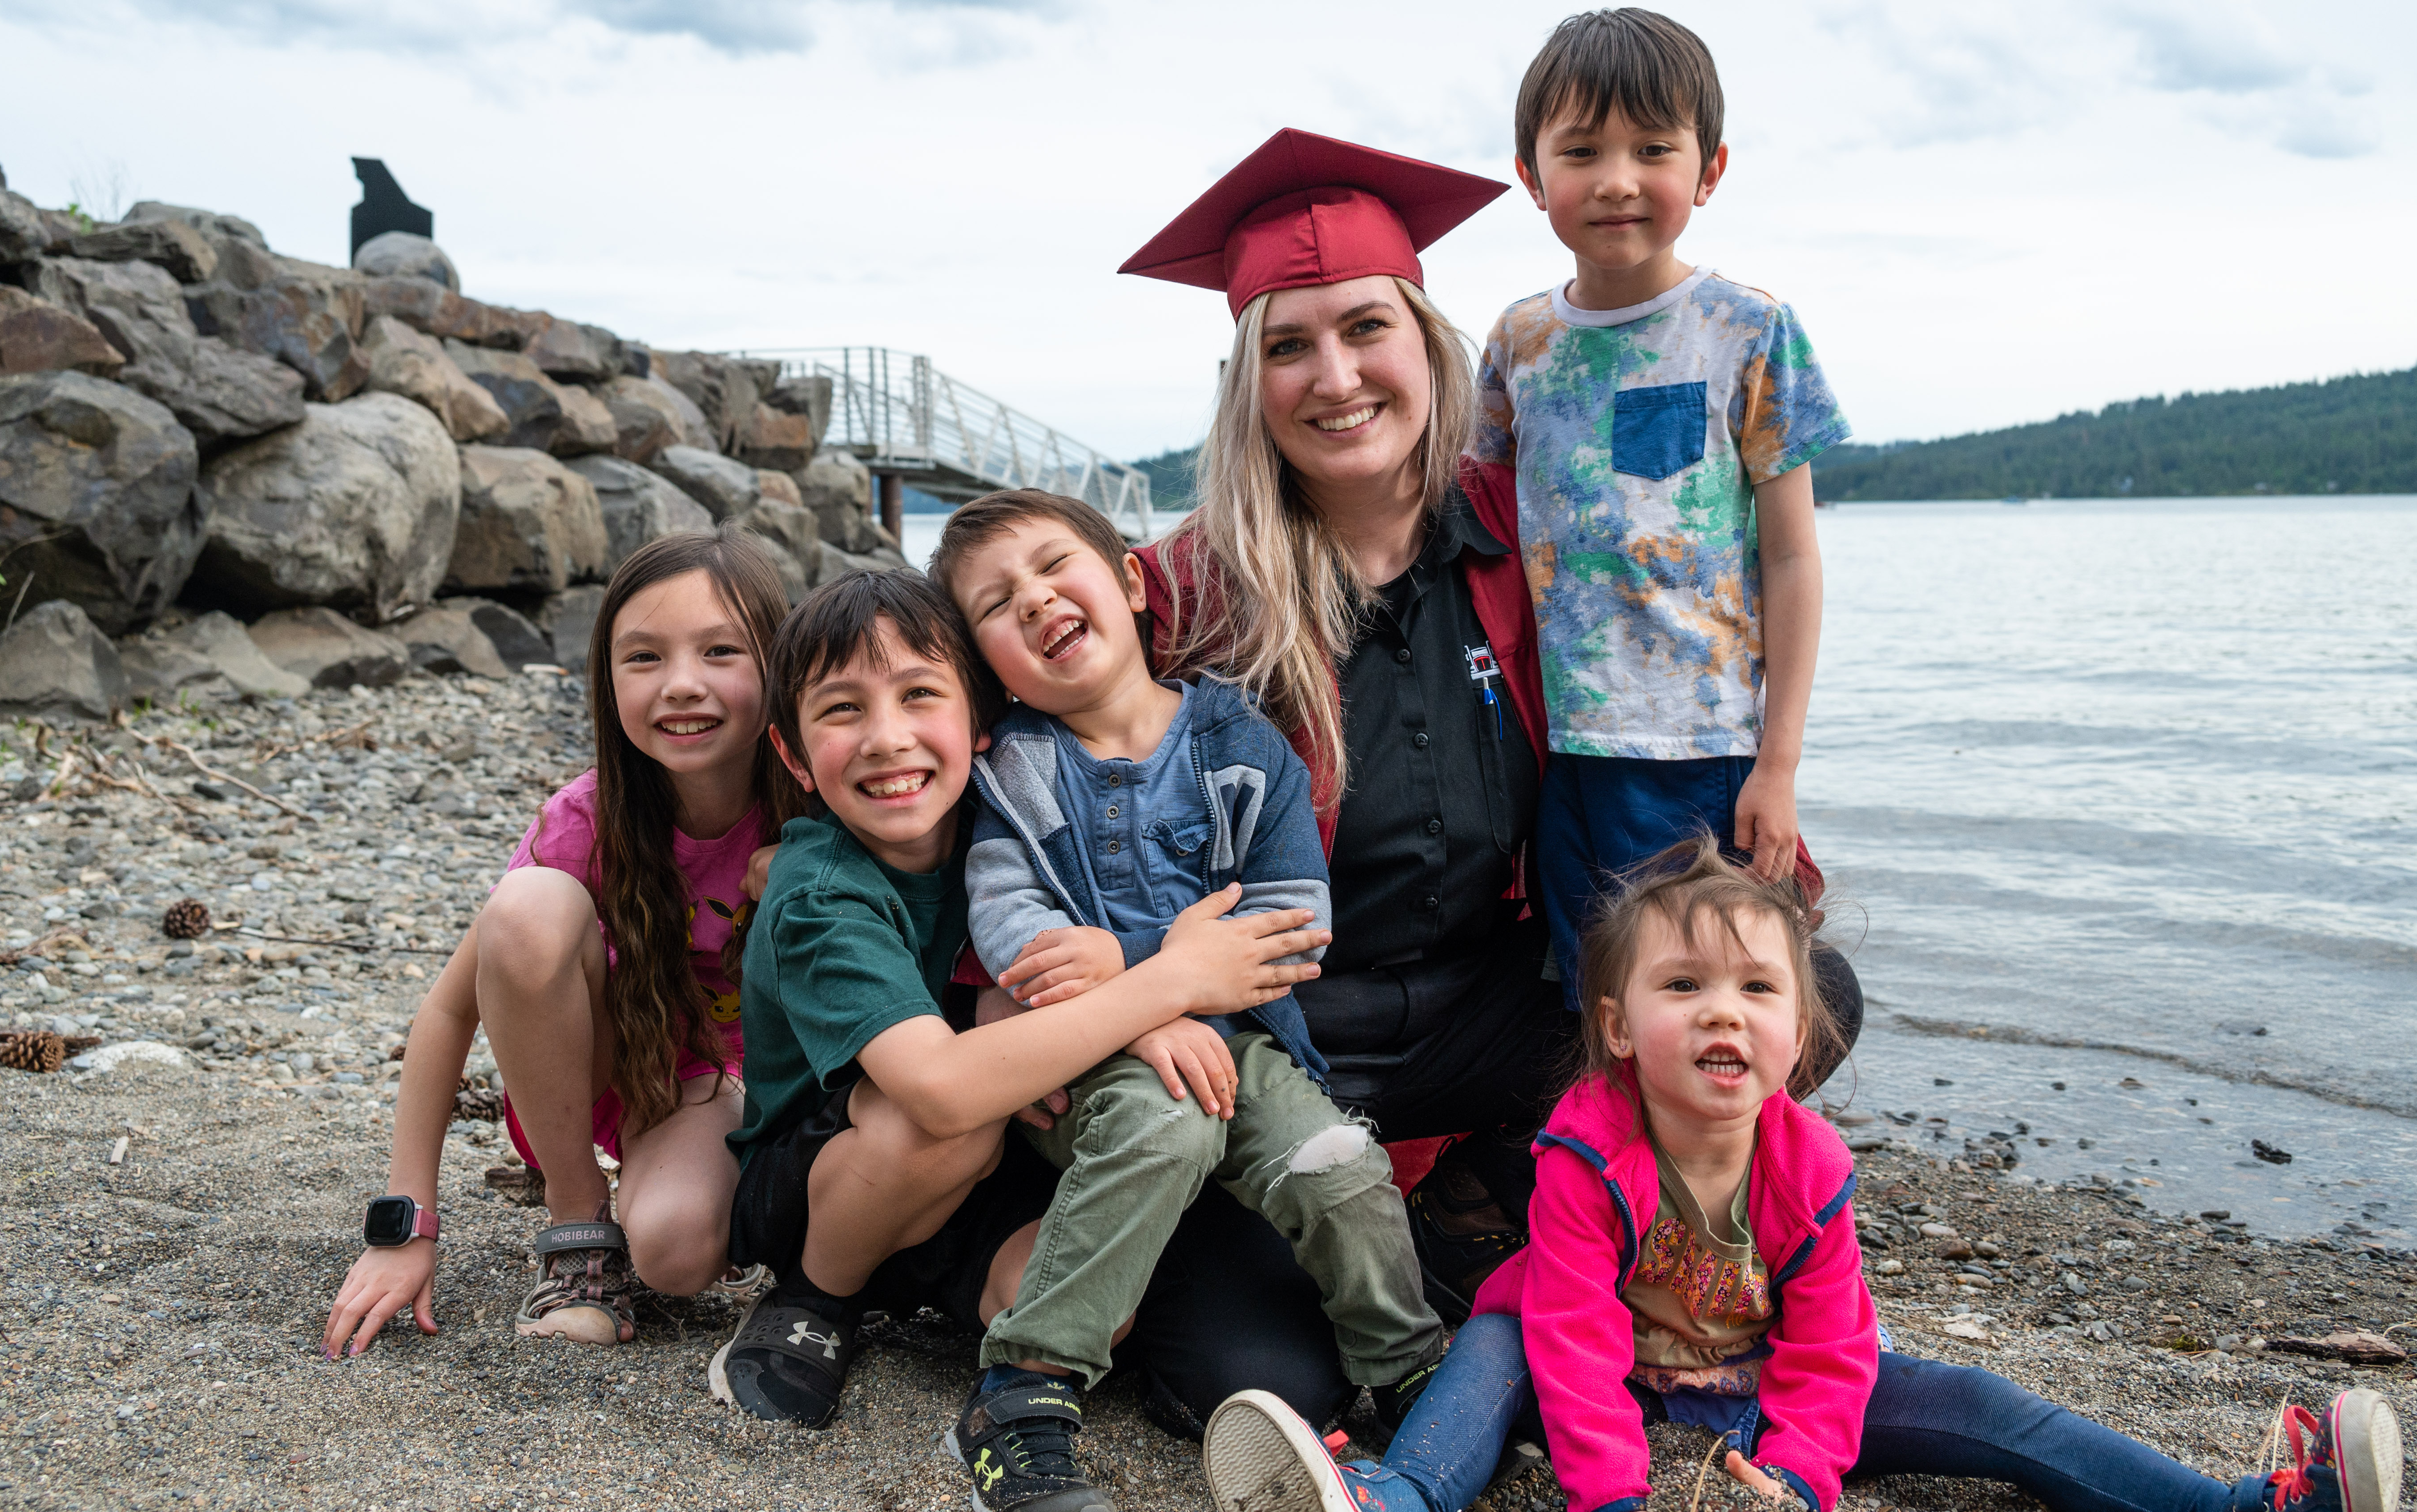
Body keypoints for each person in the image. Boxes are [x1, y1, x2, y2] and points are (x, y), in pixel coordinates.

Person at [1112, 125, 1866, 1433]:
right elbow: (1022, 764)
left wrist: (1760, 796)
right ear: (1248, 381)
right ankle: (1364, 1221)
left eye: (1365, 330)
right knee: (1267, 1384)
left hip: (1486, 1016)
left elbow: (1703, 599)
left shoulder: (1531, 540)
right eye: (1288, 346)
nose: (1335, 377)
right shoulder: (1185, 598)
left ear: (1426, 342)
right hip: (1284, 1038)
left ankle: (1488, 1197)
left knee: (1801, 992)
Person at [1197, 836, 2408, 1512]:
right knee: (1490, 1357)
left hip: (1761, 1371)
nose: (1723, 1015)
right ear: (1619, 1028)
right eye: (1685, 989)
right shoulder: (1584, 1144)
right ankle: (1387, 1503)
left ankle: (2253, 1508)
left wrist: (1799, 1478)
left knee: (1985, 1409)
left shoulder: (1811, 1165)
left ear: (1799, 1033)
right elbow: (1570, 1332)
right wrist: (1614, 1500)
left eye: (1756, 991)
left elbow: (1831, 1350)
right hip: (1603, 1360)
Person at [705, 570, 1331, 1512]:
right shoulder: (821, 891)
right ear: (794, 756)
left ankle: (957, 1322)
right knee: (945, 1123)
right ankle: (819, 1296)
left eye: (921, 695)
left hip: (987, 1174)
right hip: (833, 1168)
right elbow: (944, 1092)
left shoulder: (1005, 836)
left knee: (1100, 1305)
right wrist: (1171, 981)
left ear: (981, 720)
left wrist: (1128, 998)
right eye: (843, 711)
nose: (887, 738)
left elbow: (1069, 962)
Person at [929, 487, 1448, 1497]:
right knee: (1163, 1125)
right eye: (997, 603)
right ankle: (1023, 1382)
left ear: (1130, 581)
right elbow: (1014, 934)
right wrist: (1148, 1002)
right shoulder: (1014, 774)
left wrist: (1132, 969)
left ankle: (1408, 1367)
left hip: (1245, 1045)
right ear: (984, 658)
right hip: (1085, 1053)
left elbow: (1295, 923)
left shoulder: (1240, 743)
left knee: (1336, 1161)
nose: (1034, 601)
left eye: (1051, 568)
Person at [322, 525, 795, 1358]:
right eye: (643, 658)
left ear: (782, 666)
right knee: (526, 907)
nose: (682, 685)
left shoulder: (822, 803)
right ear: (607, 680)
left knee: (686, 1243)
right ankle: (580, 1231)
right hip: (657, 1075)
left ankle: (755, 1203)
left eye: (721, 651)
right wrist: (405, 1227)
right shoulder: (588, 819)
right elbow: (444, 1015)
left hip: (796, 1084)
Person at [1468, 9, 1853, 1013]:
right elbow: (1483, 530)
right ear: (1529, 172)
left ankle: (1729, 1168)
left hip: (1702, 751)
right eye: (1581, 150)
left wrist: (1778, 760)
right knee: (1592, 997)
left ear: (1709, 168)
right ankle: (1601, 1168)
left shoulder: (1747, 329)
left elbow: (1794, 559)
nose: (1617, 179)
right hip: (1555, 750)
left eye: (1653, 148)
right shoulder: (1519, 343)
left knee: (1702, 991)